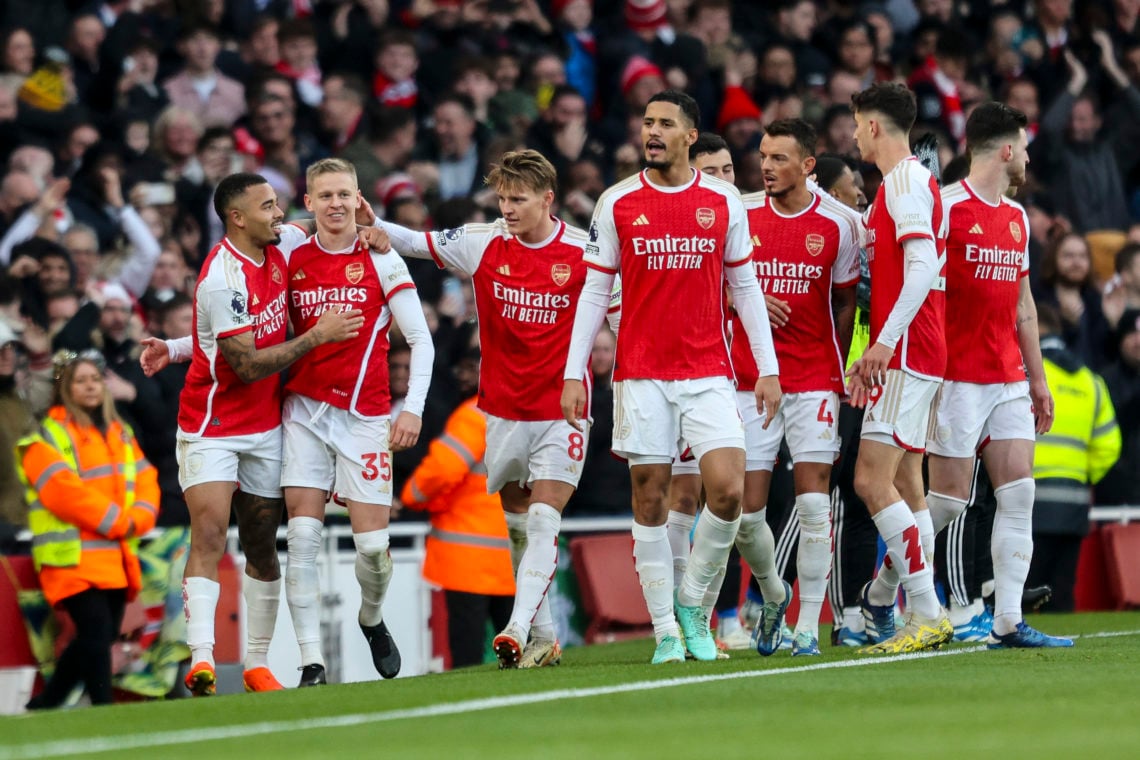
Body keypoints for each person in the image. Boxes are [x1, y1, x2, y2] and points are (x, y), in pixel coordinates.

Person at [561, 89, 782, 664]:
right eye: (646, 122)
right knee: (650, 497)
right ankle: (665, 631)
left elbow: (746, 288)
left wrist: (769, 369)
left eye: (665, 124)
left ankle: (690, 603)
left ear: (690, 136)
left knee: (729, 489)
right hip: (642, 373)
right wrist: (573, 372)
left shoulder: (723, 201)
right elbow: (592, 294)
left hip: (709, 368)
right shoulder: (616, 203)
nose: (651, 132)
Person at [139, 172, 362, 695]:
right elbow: (245, 365)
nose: (278, 212)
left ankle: (258, 665)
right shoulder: (222, 278)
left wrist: (367, 227)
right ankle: (203, 660)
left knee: (262, 544)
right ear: (237, 218)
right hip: (212, 425)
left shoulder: (278, 244)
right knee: (211, 533)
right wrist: (316, 336)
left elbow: (320, 226)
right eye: (268, 206)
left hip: (265, 427)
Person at [365, 149, 589, 669]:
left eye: (519, 199)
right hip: (503, 409)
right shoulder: (481, 242)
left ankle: (514, 626)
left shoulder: (585, 251)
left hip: (563, 408)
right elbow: (416, 243)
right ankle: (545, 636)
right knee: (518, 527)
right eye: (503, 199)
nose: (508, 209)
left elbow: (621, 315)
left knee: (542, 521)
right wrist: (375, 224)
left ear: (548, 199)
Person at [920, 102, 1070, 647]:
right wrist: (928, 375)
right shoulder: (945, 208)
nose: (1028, 157)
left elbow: (1024, 308)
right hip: (955, 376)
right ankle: (889, 582)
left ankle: (1007, 619)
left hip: (1006, 377)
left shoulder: (1017, 217)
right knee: (948, 502)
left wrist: (1038, 379)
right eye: (1024, 147)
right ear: (1006, 150)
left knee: (1019, 492)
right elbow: (923, 297)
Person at [280, 158, 432, 686]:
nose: (336, 204)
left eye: (344, 193)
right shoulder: (290, 252)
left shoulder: (381, 257)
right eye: (325, 195)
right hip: (302, 411)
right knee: (301, 537)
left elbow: (421, 340)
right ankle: (310, 663)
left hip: (365, 417)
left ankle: (371, 617)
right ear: (309, 201)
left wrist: (410, 407)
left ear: (358, 196)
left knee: (372, 550)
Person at [733, 118, 859, 656]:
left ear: (808, 165)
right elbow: (719, 286)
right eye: (763, 156)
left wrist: (840, 364)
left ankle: (808, 626)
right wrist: (754, 298)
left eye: (779, 158)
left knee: (813, 508)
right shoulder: (740, 215)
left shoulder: (839, 225)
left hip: (813, 379)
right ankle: (773, 591)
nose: (766, 166)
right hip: (752, 378)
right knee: (745, 513)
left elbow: (846, 301)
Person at [847, 82, 953, 654]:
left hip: (908, 352)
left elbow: (919, 271)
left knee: (870, 480)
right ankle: (921, 612)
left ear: (872, 126)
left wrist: (883, 344)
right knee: (910, 484)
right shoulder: (903, 185)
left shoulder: (907, 181)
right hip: (922, 349)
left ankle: (928, 612)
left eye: (856, 124)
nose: (853, 134)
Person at [16, 349, 159, 708]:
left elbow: (145, 478)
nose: (91, 386)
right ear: (65, 388)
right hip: (71, 557)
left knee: (102, 634)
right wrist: (119, 521)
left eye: (95, 379)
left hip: (113, 554)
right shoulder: (47, 437)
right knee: (96, 633)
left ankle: (48, 702)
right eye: (81, 381)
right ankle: (103, 707)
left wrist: (138, 518)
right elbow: (64, 493)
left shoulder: (118, 432)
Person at [399, 346, 516, 669]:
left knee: (467, 658)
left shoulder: (474, 415)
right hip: (514, 558)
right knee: (518, 657)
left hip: (468, 558)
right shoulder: (520, 415)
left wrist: (410, 496)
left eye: (469, 367)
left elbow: (442, 471)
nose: (462, 375)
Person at [1029, 305, 1121, 612]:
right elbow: (1109, 445)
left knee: (1025, 593)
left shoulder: (1026, 371)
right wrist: (1081, 475)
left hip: (1027, 500)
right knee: (1061, 592)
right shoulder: (1090, 380)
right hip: (1075, 501)